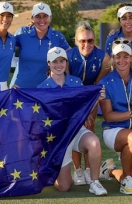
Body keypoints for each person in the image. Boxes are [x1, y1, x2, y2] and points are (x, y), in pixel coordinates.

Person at [38, 47, 108, 196]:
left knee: (94, 142)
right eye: (55, 62)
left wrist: (96, 98)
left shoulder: (75, 82)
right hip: (58, 138)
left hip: (76, 130)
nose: (58, 65)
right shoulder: (42, 87)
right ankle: (50, 172)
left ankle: (94, 182)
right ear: (49, 63)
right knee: (64, 186)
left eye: (62, 61)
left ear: (66, 62)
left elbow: (85, 108)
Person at [98, 42, 132, 195]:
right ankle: (126, 180)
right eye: (118, 57)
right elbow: (108, 115)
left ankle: (110, 171)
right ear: (113, 59)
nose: (122, 61)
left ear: (131, 58)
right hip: (113, 131)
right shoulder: (105, 82)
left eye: (125, 57)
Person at [66, 21, 111, 186]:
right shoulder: (68, 56)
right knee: (74, 129)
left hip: (91, 96)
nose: (86, 44)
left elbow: (98, 86)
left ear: (95, 41)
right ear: (76, 41)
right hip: (73, 97)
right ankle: (77, 170)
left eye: (90, 40)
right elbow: (68, 84)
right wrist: (79, 111)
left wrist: (90, 108)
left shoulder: (104, 57)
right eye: (82, 41)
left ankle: (88, 169)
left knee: (90, 127)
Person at [11, 2, 70, 88]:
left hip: (47, 89)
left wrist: (92, 49)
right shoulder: (22, 33)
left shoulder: (57, 37)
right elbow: (6, 49)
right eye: (38, 17)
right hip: (21, 88)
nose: (42, 20)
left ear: (50, 18)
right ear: (32, 18)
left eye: (45, 16)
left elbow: (73, 55)